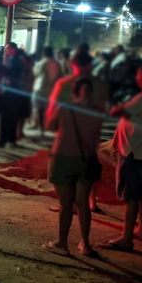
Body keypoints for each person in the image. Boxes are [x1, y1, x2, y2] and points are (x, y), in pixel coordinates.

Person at [42, 51, 108, 257]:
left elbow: (49, 126)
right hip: (87, 159)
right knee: (84, 205)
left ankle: (62, 243)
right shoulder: (97, 111)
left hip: (63, 157)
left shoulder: (65, 105)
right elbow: (97, 135)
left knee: (65, 205)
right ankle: (85, 244)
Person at [99, 60, 142, 252]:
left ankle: (126, 237)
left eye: (138, 73)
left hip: (133, 152)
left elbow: (117, 111)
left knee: (131, 196)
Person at [32, 46, 63, 137]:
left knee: (39, 110)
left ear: (44, 53)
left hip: (40, 89)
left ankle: (41, 129)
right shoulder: (57, 64)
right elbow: (60, 76)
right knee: (49, 110)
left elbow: (35, 74)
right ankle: (48, 127)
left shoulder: (41, 63)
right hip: (52, 90)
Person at [0, 42, 23, 148]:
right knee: (12, 117)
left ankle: (3, 141)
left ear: (13, 50)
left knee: (5, 118)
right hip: (15, 92)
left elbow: (8, 77)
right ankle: (11, 139)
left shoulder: (13, 61)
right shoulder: (16, 60)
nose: (5, 50)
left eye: (7, 48)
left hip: (9, 93)